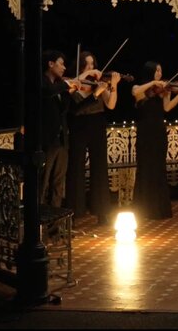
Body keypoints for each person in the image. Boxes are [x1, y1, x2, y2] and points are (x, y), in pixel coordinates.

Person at [66, 51, 121, 226]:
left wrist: (113, 85)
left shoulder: (99, 83)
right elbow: (76, 102)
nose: (91, 67)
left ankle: (102, 212)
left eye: (92, 64)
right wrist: (88, 82)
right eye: (87, 64)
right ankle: (74, 213)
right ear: (81, 66)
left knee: (100, 167)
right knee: (76, 168)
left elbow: (111, 105)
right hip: (78, 125)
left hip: (97, 123)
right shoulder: (76, 82)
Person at [131, 61, 178, 220]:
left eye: (160, 71)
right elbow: (135, 93)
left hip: (159, 132)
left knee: (158, 168)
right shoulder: (140, 88)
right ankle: (142, 209)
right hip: (144, 132)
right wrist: (153, 83)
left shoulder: (163, 90)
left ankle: (159, 209)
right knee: (144, 168)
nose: (159, 74)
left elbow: (167, 108)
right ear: (150, 72)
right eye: (157, 71)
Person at [39, 50, 92, 208]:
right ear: (50, 64)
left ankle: (55, 225)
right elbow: (47, 92)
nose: (64, 68)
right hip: (47, 140)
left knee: (58, 183)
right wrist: (68, 84)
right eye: (61, 64)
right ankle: (39, 222)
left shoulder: (59, 87)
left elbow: (68, 109)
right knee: (43, 183)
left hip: (62, 140)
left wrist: (93, 94)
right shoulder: (42, 82)